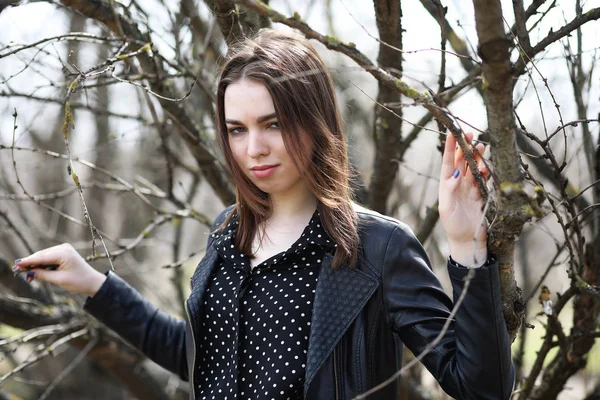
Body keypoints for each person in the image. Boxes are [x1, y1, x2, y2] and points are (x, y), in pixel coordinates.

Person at [12, 29, 514, 399]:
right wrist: (96, 286)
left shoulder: (377, 248)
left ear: (314, 121)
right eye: (236, 129)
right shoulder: (227, 233)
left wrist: (467, 247)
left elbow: (481, 388)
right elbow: (199, 357)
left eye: (272, 123)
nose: (254, 148)